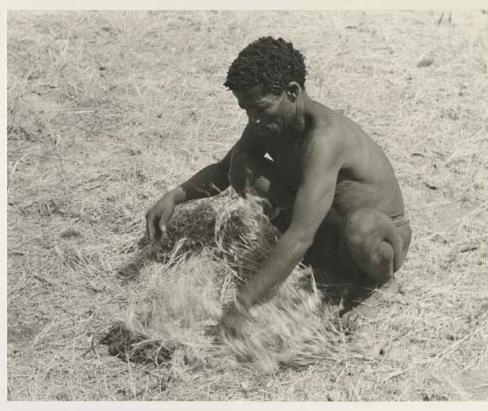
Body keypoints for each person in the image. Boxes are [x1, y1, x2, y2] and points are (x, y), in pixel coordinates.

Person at [146, 37, 412, 337]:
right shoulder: (271, 124)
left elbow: (300, 235)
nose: (253, 120)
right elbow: (223, 171)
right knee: (242, 166)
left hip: (379, 237)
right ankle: (318, 263)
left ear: (293, 92)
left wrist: (243, 305)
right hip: (328, 234)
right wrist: (174, 196)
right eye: (246, 110)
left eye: (260, 109)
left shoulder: (325, 139)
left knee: (360, 227)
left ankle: (382, 284)